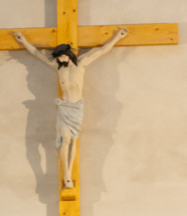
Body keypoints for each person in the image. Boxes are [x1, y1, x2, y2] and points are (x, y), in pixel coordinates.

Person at [12, 27, 128, 187]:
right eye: (59, 57)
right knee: (64, 139)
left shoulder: (82, 64)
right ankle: (66, 174)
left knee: (73, 139)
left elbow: (102, 51)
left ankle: (69, 172)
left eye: (63, 56)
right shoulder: (59, 67)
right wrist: (23, 41)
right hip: (64, 107)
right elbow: (37, 53)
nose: (61, 59)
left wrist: (117, 38)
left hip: (76, 109)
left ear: (68, 54)